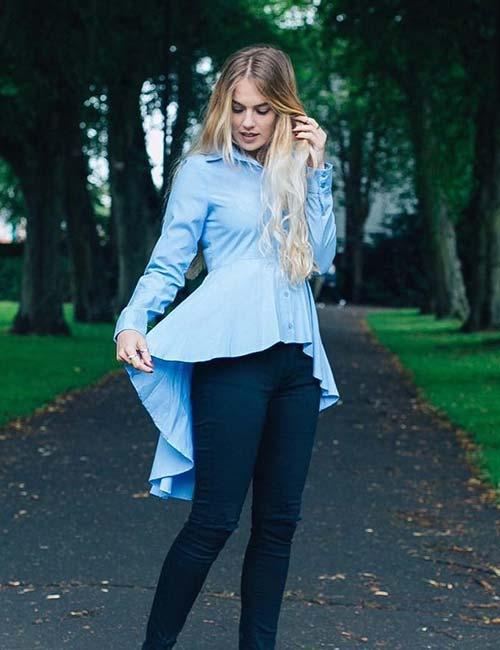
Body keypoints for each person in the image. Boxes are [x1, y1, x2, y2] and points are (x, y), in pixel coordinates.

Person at [114, 44, 341, 650]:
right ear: (224, 105)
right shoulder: (203, 171)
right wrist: (132, 321)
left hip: (296, 364)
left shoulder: (303, 169)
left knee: (279, 525)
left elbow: (322, 258)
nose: (246, 121)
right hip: (232, 362)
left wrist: (317, 172)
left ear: (284, 111)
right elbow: (169, 263)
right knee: (214, 520)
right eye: (237, 107)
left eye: (262, 110)